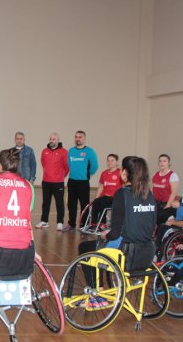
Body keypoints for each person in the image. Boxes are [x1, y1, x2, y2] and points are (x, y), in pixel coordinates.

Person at [76, 156, 156, 308]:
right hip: (147, 252)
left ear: (125, 173)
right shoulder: (149, 194)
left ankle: (96, 295)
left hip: (126, 252)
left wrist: (107, 233)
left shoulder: (122, 194)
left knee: (85, 248)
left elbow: (115, 232)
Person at [65, 130, 98, 231]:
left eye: (80, 137)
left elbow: (95, 166)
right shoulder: (71, 151)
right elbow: (69, 164)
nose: (78, 138)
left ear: (84, 138)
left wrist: (87, 174)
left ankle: (84, 224)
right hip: (72, 181)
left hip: (83, 182)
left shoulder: (89, 151)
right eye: (76, 137)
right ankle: (71, 224)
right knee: (71, 204)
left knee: (84, 204)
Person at [37, 133, 69, 230]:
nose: (52, 140)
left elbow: (66, 167)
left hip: (58, 182)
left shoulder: (64, 152)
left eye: (54, 139)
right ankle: (44, 221)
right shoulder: (44, 151)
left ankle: (60, 222)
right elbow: (43, 163)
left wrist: (60, 176)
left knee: (59, 203)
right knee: (45, 202)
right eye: (50, 139)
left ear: (58, 140)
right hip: (46, 182)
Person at [89, 154, 122, 228]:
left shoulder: (120, 173)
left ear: (117, 162)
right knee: (96, 202)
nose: (110, 162)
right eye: (108, 161)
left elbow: (125, 185)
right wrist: (96, 197)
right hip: (104, 196)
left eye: (112, 161)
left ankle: (102, 223)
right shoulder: (104, 173)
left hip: (114, 197)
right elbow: (101, 186)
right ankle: (93, 223)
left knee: (104, 203)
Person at [153, 154, 180, 224]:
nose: (162, 163)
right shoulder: (155, 175)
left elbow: (174, 192)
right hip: (156, 203)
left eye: (164, 161)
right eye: (160, 161)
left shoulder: (173, 175)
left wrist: (168, 205)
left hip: (166, 204)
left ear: (169, 163)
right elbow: (153, 190)